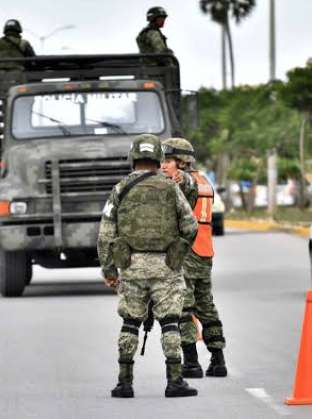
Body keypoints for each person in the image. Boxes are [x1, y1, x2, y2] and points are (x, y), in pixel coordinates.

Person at [97, 134, 199, 398]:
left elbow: (106, 234)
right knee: (170, 323)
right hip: (166, 267)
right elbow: (190, 226)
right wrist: (177, 254)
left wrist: (109, 270)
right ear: (157, 158)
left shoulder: (119, 189)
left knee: (130, 323)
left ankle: (124, 382)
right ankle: (175, 381)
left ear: (133, 158)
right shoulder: (170, 187)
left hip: (131, 266)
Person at [160, 137, 228, 378]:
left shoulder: (186, 181)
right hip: (204, 252)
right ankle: (218, 360)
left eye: (168, 161)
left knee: (183, 308)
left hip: (188, 253)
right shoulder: (204, 181)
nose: (163, 166)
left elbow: (182, 183)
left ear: (182, 161)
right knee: (206, 306)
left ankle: (191, 363)